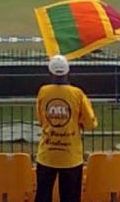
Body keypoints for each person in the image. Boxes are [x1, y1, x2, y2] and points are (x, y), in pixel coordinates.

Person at [35, 55, 98, 202]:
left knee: (42, 196)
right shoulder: (77, 94)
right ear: (68, 72)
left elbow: (40, 119)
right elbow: (90, 123)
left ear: (50, 73)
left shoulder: (43, 91)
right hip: (71, 157)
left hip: (47, 155)